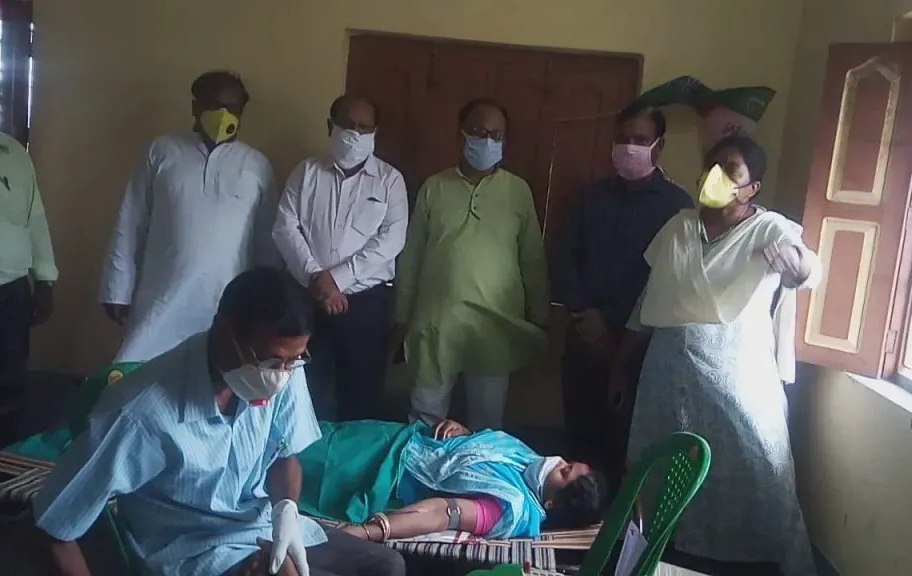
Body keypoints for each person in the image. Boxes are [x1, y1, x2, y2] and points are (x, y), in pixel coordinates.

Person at [33, 268, 406, 576]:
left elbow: (284, 454)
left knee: (386, 567)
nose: (283, 374)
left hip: (258, 525)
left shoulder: (283, 369)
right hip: (191, 551)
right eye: (274, 361)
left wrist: (286, 514)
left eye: (295, 360)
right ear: (226, 333)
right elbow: (55, 524)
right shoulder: (140, 414)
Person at [610, 135, 821, 576]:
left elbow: (806, 267)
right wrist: (621, 365)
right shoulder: (678, 228)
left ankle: (773, 564)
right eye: (713, 165)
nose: (717, 175)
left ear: (752, 187)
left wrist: (796, 264)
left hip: (737, 378)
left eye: (731, 169)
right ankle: (661, 558)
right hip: (668, 378)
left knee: (761, 468)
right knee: (662, 468)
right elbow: (650, 301)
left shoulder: (768, 229)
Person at [551, 103, 692, 484]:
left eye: (641, 140)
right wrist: (583, 314)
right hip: (585, 337)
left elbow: (674, 279)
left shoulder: (679, 208)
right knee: (579, 442)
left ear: (659, 147)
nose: (630, 147)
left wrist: (621, 328)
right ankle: (576, 514)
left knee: (631, 447)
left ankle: (623, 518)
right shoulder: (590, 197)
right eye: (623, 138)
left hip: (642, 347)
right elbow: (564, 258)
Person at [100, 70, 278, 363]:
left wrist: (266, 302)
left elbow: (266, 241)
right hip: (161, 298)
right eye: (214, 105)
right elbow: (131, 222)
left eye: (232, 108)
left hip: (225, 302)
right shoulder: (161, 151)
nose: (223, 114)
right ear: (196, 107)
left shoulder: (257, 165)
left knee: (212, 373)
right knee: (139, 370)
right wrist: (117, 288)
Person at [394, 98, 549, 431]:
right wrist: (401, 316)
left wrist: (540, 317)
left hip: (495, 326)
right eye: (479, 131)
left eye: (497, 134)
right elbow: (411, 255)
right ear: (460, 135)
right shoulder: (434, 187)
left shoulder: (517, 191)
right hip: (436, 324)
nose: (488, 140)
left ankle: (476, 468)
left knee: (487, 424)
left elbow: (532, 258)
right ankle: (419, 467)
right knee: (424, 419)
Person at [273, 95, 408, 421]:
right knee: (303, 389)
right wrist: (315, 278)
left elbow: (391, 240)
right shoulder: (306, 172)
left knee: (362, 393)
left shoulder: (390, 181)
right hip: (306, 298)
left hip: (364, 304)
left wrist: (335, 280)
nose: (355, 133)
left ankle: (357, 452)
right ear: (330, 126)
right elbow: (285, 227)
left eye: (364, 127)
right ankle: (305, 449)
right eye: (348, 125)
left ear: (375, 131)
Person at [293, 417, 607, 542]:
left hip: (373, 473)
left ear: (552, 503)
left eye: (564, 471)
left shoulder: (509, 508)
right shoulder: (529, 464)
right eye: (568, 462)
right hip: (392, 439)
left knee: (294, 455)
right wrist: (465, 433)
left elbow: (445, 512)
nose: (557, 461)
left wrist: (369, 531)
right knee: (307, 431)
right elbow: (487, 454)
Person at [0, 58, 57, 462]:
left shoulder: (14, 154)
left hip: (8, 296)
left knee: (2, 394)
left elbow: (34, 217)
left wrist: (45, 281)